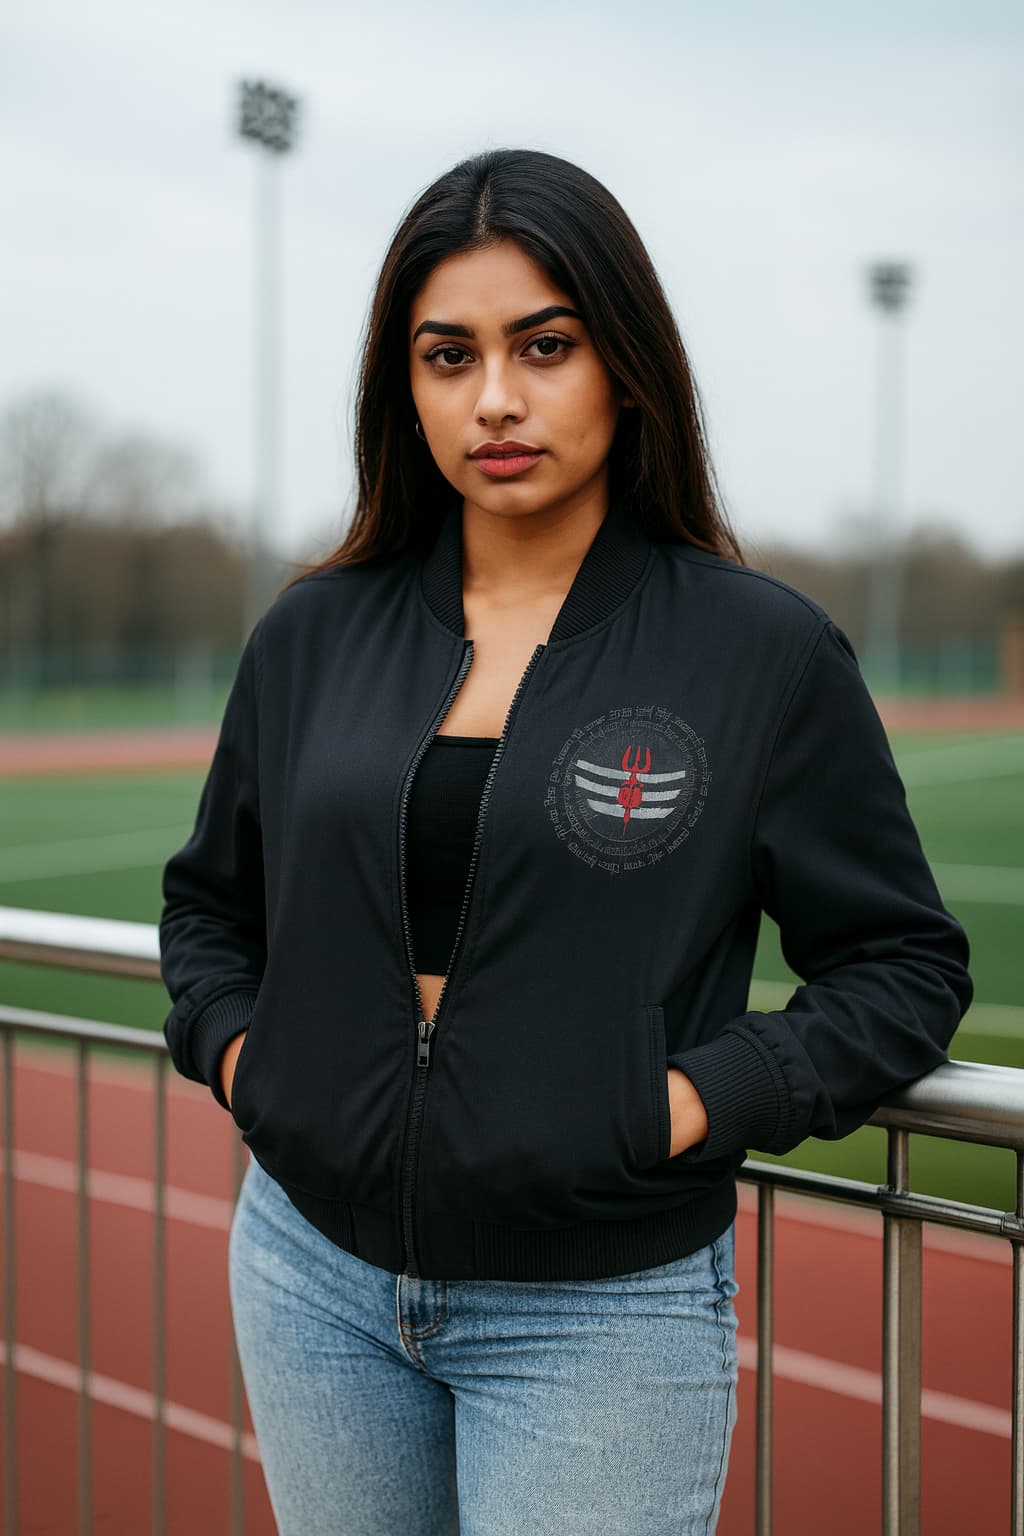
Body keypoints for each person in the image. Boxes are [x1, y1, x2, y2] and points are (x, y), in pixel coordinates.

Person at [158, 147, 973, 1535]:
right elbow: (208, 914)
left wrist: (680, 1103)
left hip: (598, 1311)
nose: (495, 399)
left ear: (626, 363)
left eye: (545, 345)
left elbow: (900, 964)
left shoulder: (757, 650)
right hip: (311, 1278)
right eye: (446, 355)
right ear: (399, 390)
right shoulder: (311, 633)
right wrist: (252, 1060)